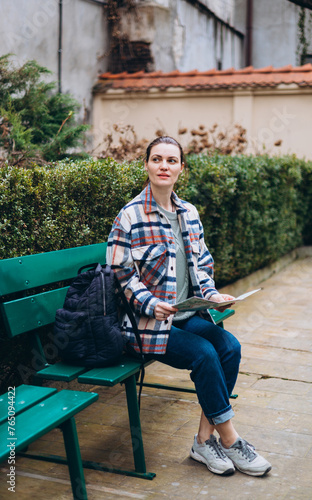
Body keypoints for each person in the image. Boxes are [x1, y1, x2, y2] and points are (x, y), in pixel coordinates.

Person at [106, 136, 272, 477]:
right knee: (204, 354)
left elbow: (202, 268)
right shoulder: (130, 216)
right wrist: (152, 305)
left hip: (185, 316)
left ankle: (202, 440)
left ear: (182, 167)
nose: (163, 166)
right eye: (156, 159)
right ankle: (230, 439)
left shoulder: (189, 213)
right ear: (147, 165)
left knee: (229, 347)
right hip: (146, 325)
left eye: (171, 160)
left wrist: (212, 296)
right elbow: (122, 276)